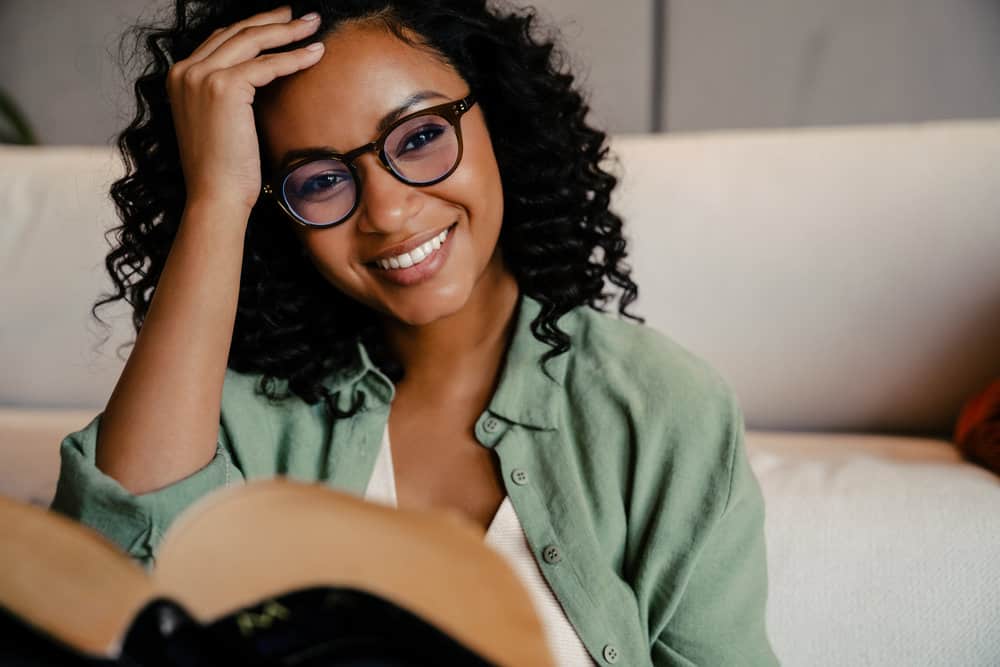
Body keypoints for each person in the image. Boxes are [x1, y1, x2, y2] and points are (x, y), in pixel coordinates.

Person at [50, 1, 780, 664]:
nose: (390, 212)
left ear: (499, 115)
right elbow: (105, 589)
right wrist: (217, 199)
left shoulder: (659, 409)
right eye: (320, 179)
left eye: (422, 134)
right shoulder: (239, 413)